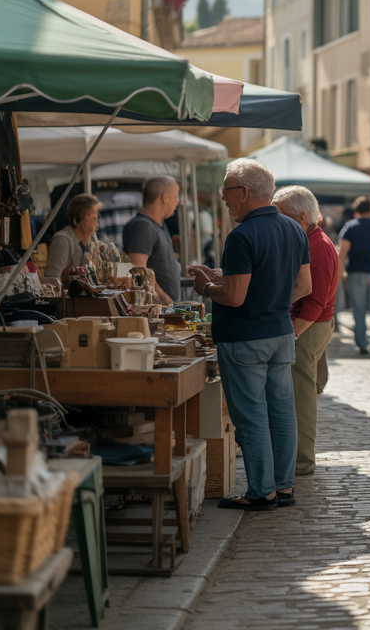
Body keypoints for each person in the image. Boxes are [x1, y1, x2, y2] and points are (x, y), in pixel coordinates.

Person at [190, 159, 311, 511]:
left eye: (226, 191)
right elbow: (304, 285)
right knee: (282, 412)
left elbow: (234, 296)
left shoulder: (241, 235)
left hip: (245, 337)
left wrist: (207, 286)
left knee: (252, 416)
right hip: (279, 332)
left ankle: (261, 491)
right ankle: (284, 487)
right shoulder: (294, 229)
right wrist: (268, 302)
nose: (224, 199)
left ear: (243, 193)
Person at [273, 185, 339, 476]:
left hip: (309, 326)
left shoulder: (317, 245)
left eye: (281, 216)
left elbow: (315, 302)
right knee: (302, 391)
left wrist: (293, 333)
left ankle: (301, 461)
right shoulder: (309, 240)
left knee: (301, 395)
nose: (276, 222)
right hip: (310, 325)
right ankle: (298, 458)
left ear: (301, 217)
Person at [338, 197, 370, 355]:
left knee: (358, 309)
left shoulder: (350, 227)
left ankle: (361, 344)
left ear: (356, 211)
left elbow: (342, 253)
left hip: (356, 272)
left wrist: (341, 274)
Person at [123, 176, 181, 306]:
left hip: (165, 311)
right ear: (165, 198)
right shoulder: (142, 227)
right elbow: (139, 271)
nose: (178, 202)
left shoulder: (159, 225)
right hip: (155, 312)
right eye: (176, 196)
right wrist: (164, 299)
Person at [44, 194, 100, 279]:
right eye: (93, 218)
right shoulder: (62, 240)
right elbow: (52, 279)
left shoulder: (92, 240)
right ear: (80, 218)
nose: (96, 223)